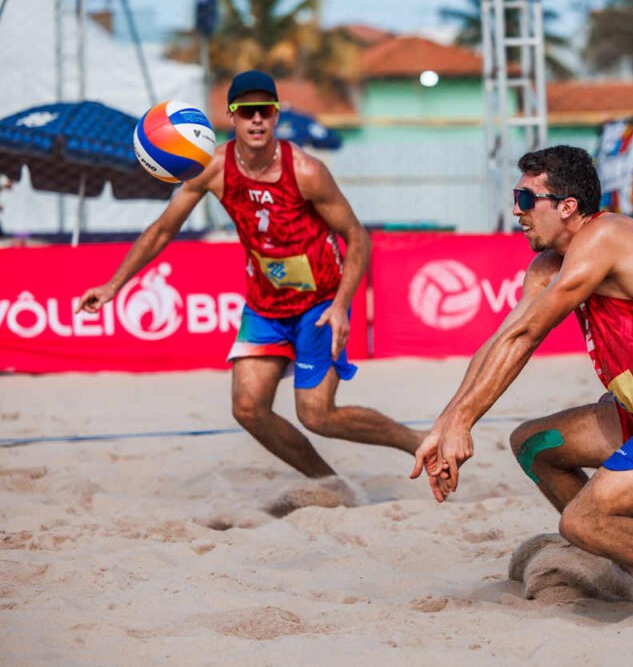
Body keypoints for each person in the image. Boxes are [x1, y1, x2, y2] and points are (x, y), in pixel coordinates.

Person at [411, 145, 633, 611]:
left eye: (525, 198)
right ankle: (623, 563)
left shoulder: (609, 236)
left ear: (567, 206)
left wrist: (463, 423)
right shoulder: (548, 266)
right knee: (533, 445)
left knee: (582, 522)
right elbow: (504, 342)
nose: (516, 210)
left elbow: (527, 336)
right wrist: (449, 422)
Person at [77, 70, 422, 484]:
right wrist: (114, 284)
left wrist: (343, 305)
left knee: (318, 415)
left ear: (275, 116)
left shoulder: (307, 171)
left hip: (319, 303)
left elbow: (357, 238)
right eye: (246, 112)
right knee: (247, 409)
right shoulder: (214, 168)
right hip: (265, 306)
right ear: (231, 118)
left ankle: (418, 441)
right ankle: (331, 485)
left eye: (264, 111)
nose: (256, 119)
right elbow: (163, 229)